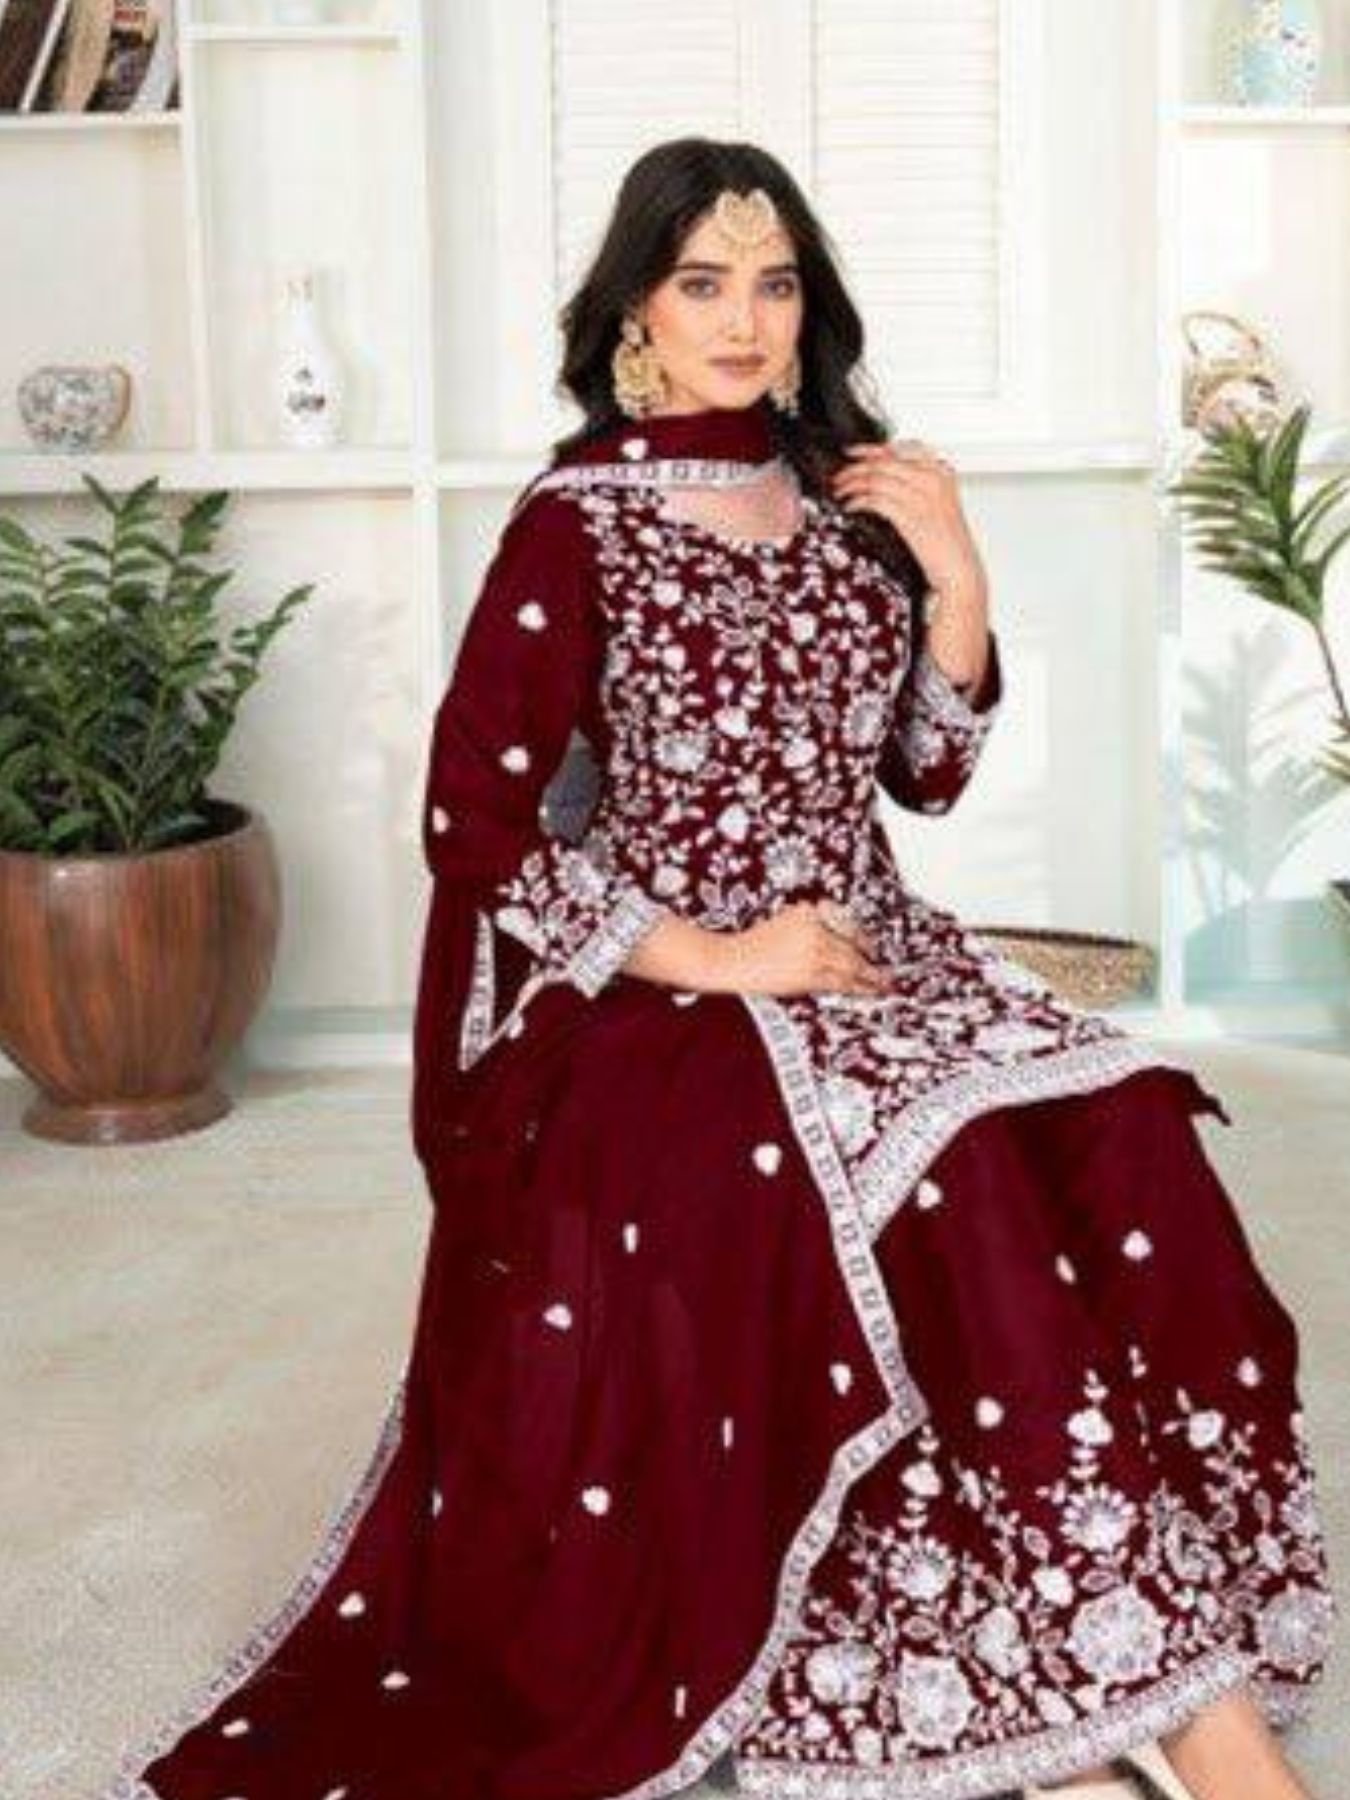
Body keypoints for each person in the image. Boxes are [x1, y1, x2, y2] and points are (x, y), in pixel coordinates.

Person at [100, 138, 1336, 1800]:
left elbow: (924, 775)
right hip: (667, 985)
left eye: (773, 284)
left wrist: (958, 574)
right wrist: (718, 954)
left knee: (1125, 1128)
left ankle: (1106, 1670)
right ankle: (1149, 1709)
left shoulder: (849, 499)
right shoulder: (575, 529)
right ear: (635, 314)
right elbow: (472, 823)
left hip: (877, 945)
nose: (743, 322)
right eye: (701, 285)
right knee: (953, 1174)